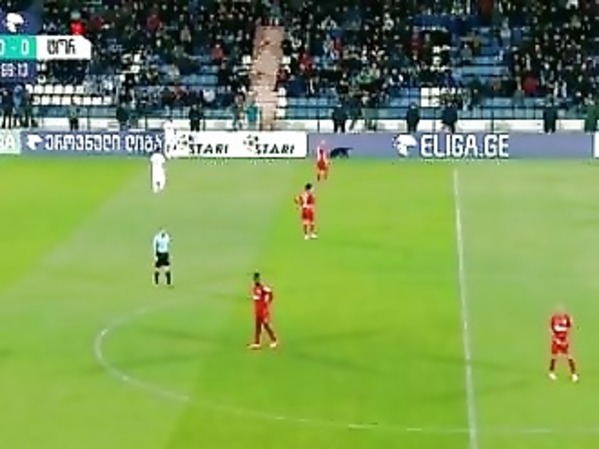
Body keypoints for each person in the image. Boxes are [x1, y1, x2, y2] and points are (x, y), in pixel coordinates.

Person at [248, 272, 278, 349]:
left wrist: (268, 302)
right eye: (255, 279)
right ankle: (257, 343)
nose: (256, 280)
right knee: (257, 326)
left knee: (266, 325)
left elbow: (270, 293)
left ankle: (274, 340)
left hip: (263, 310)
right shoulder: (254, 288)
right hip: (257, 310)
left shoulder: (263, 288)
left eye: (257, 279)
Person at [548, 307, 578, 382]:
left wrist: (566, 338)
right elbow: (550, 329)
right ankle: (551, 372)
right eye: (559, 312)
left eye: (562, 312)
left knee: (569, 356)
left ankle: (573, 374)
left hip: (564, 340)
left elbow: (570, 327)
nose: (560, 313)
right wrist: (555, 339)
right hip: (556, 340)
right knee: (554, 356)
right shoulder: (553, 318)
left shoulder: (567, 318)